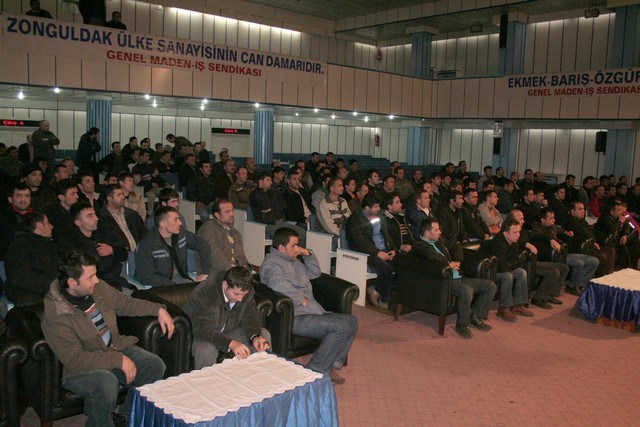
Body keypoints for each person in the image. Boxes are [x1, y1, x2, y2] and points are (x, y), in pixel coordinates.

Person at [41, 251, 173, 427]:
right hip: (80, 369)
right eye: (91, 277)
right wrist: (118, 360)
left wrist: (159, 310)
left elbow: (127, 304)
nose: (97, 280)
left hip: (113, 348)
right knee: (105, 382)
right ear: (72, 282)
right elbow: (75, 360)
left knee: (154, 365)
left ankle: (126, 417)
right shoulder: (55, 314)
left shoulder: (98, 288)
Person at [260, 228, 357, 384]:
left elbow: (315, 273)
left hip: (312, 311)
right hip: (296, 317)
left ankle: (331, 363)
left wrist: (308, 254)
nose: (297, 248)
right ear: (282, 248)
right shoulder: (272, 263)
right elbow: (277, 284)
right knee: (341, 326)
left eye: (298, 245)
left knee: (352, 321)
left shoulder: (294, 260)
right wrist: (300, 299)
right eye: (294, 245)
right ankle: (316, 369)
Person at [412, 218, 496, 338]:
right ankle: (462, 325)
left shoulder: (439, 240)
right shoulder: (419, 246)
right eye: (436, 230)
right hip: (445, 281)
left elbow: (455, 245)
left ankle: (474, 316)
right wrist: (448, 265)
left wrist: (457, 260)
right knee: (466, 290)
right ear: (427, 232)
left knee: (490, 286)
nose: (440, 232)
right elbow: (432, 256)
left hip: (458, 277)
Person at [184, 267, 270, 369]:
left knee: (263, 335)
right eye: (236, 294)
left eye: (243, 295)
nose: (240, 299)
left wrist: (255, 336)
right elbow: (202, 328)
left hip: (229, 330)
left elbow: (250, 317)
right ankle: (208, 379)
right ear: (225, 285)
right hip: (202, 334)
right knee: (206, 351)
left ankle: (257, 373)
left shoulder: (246, 291)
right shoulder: (204, 293)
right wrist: (230, 343)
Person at [57, 203, 131, 291]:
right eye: (90, 216)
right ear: (78, 222)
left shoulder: (104, 231)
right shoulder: (69, 242)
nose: (96, 218)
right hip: (91, 285)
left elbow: (124, 254)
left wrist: (112, 250)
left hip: (115, 279)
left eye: (95, 214)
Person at [135, 206, 211, 287]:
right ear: (163, 224)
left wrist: (205, 272)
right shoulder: (148, 244)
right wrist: (173, 285)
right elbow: (146, 277)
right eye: (176, 219)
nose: (180, 223)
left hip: (183, 281)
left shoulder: (181, 233)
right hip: (162, 286)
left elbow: (203, 245)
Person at [532, 208, 598, 297]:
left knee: (594, 261)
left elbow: (560, 230)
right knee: (579, 263)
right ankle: (572, 286)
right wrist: (552, 238)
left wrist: (566, 232)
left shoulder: (553, 226)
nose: (554, 220)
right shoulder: (537, 228)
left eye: (554, 218)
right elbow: (540, 236)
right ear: (543, 220)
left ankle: (581, 285)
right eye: (551, 218)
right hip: (555, 256)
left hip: (564, 252)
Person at [346, 193, 395, 308]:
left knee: (402, 268)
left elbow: (386, 235)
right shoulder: (355, 219)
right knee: (387, 269)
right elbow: (361, 242)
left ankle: (375, 290)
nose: (379, 209)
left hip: (381, 250)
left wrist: (392, 249)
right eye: (376, 207)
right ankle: (384, 300)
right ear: (367, 208)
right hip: (365, 253)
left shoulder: (378, 216)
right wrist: (377, 253)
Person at [481, 219, 533, 322]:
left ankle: (518, 305)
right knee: (507, 275)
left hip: (504, 268)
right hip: (490, 271)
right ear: (505, 233)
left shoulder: (513, 242)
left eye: (518, 232)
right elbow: (502, 267)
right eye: (515, 232)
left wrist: (512, 265)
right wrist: (511, 265)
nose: (518, 235)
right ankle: (503, 308)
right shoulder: (498, 244)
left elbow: (516, 261)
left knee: (521, 272)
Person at [4, 212, 58, 306]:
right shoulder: (20, 245)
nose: (52, 226)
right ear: (40, 225)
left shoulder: (50, 245)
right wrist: (52, 286)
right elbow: (21, 276)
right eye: (48, 223)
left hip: (47, 290)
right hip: (24, 291)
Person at [197, 199, 251, 277]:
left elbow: (241, 257)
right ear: (217, 215)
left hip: (234, 274)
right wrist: (234, 273)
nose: (232, 214)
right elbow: (214, 257)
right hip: (217, 275)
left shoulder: (235, 233)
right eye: (227, 212)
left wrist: (246, 268)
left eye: (232, 211)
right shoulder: (208, 228)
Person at [563, 201, 616, 277]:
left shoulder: (583, 221)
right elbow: (583, 234)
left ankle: (608, 275)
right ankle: (600, 278)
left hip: (590, 245)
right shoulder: (569, 222)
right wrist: (592, 242)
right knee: (602, 256)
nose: (583, 211)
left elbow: (591, 233)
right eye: (580, 209)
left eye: (583, 209)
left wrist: (594, 242)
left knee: (611, 251)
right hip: (579, 249)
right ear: (572, 211)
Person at [97, 184, 145, 252]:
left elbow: (144, 233)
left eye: (123, 194)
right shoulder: (100, 218)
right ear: (109, 198)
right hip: (119, 255)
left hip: (139, 253)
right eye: (119, 195)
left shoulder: (132, 214)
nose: (123, 197)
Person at [0, 183, 33, 261]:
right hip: (5, 260)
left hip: (32, 260)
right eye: (19, 196)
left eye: (27, 196)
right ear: (10, 199)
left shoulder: (37, 217)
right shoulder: (3, 217)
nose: (23, 199)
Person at [317, 178, 351, 248]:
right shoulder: (324, 203)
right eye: (339, 186)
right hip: (333, 233)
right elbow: (328, 225)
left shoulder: (343, 201)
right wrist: (342, 233)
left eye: (342, 185)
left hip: (346, 230)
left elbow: (350, 217)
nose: (342, 188)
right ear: (331, 188)